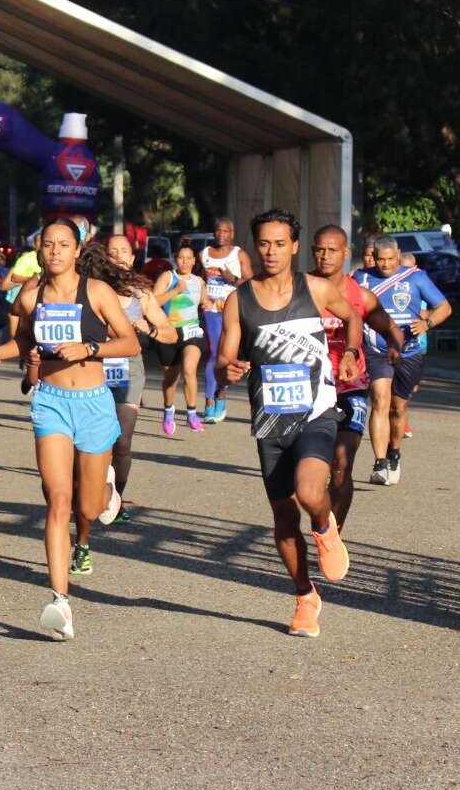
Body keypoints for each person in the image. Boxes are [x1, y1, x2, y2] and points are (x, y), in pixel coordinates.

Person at [0, 218, 138, 640]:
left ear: (77, 250)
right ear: (39, 249)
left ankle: (107, 491)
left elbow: (130, 342)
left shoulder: (97, 292)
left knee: (89, 509)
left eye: (63, 245)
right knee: (58, 501)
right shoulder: (31, 293)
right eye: (47, 244)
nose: (54, 251)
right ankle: (59, 601)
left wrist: (89, 348)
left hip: (94, 404)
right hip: (50, 403)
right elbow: (25, 340)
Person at [215, 209, 365, 639]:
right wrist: (227, 370)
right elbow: (223, 359)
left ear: (294, 247)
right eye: (264, 243)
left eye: (280, 243)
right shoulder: (239, 300)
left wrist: (350, 352)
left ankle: (324, 527)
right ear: (255, 245)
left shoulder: (315, 289)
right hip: (270, 420)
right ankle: (304, 597)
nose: (271, 251)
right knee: (283, 517)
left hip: (316, 411)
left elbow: (353, 317)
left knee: (310, 491)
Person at [67, 234, 175, 573]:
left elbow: (170, 333)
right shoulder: (88, 289)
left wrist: (148, 330)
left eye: (123, 251)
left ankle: (115, 492)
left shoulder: (140, 293)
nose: (117, 256)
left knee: (122, 441)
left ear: (132, 257)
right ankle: (95, 493)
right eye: (111, 251)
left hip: (129, 370)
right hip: (91, 370)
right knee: (88, 448)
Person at [311, 225, 403, 533]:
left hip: (351, 386)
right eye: (319, 250)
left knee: (341, 465)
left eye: (332, 250)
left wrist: (394, 346)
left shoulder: (360, 296)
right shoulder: (300, 288)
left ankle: (332, 537)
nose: (325, 256)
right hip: (309, 387)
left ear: (346, 254)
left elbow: (391, 328)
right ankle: (317, 520)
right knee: (309, 472)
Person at [355, 236, 451, 486]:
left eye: (390, 259)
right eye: (380, 260)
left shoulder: (416, 278)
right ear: (373, 257)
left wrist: (427, 323)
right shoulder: (361, 278)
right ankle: (379, 463)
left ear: (398, 255)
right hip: (375, 349)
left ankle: (394, 452)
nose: (385, 264)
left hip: (408, 351)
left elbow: (444, 307)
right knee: (380, 400)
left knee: (398, 409)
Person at [200, 218, 254, 424]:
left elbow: (251, 282)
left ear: (232, 234)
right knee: (214, 354)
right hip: (211, 311)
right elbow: (198, 280)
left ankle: (221, 394)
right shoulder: (204, 254)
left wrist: (232, 278)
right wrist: (202, 298)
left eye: (225, 231)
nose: (221, 234)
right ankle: (208, 403)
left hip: (232, 310)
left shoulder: (239, 255)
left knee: (227, 355)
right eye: (218, 230)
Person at [152, 243, 209, 434]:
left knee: (189, 370)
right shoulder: (168, 277)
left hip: (191, 332)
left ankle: (192, 414)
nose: (184, 261)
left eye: (188, 258)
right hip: (168, 333)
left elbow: (204, 301)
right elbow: (153, 302)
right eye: (181, 258)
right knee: (171, 379)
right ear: (175, 260)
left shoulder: (199, 281)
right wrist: (174, 291)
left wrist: (208, 303)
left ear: (194, 261)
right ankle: (168, 411)